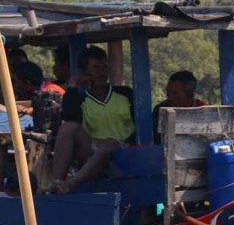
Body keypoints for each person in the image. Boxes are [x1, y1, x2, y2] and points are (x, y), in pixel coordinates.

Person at [50, 46, 135, 193]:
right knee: (69, 127)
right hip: (91, 152)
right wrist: (73, 86)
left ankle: (71, 183)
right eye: (96, 67)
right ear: (85, 72)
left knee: (109, 144)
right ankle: (56, 182)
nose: (102, 72)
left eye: (104, 67)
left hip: (123, 150)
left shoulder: (124, 94)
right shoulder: (81, 99)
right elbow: (69, 117)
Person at [12, 61, 66, 137]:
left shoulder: (52, 92)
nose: (15, 85)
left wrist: (31, 110)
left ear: (28, 83)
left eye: (16, 82)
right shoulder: (28, 93)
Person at [152, 70, 207, 143]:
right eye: (168, 92)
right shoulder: (160, 110)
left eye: (175, 93)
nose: (170, 97)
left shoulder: (204, 110)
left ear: (190, 94)